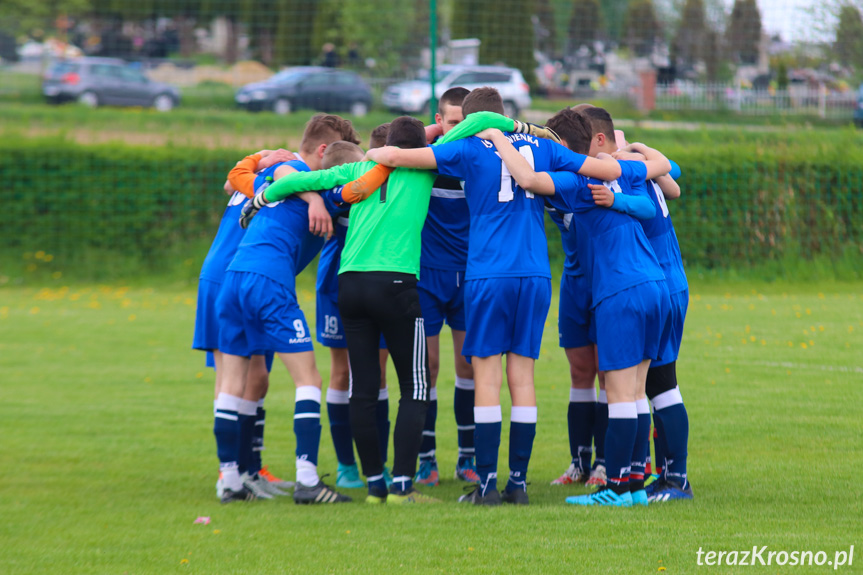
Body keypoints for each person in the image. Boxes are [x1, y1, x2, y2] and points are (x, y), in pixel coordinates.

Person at [365, 90, 622, 505]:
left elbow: (396, 157)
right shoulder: (541, 145)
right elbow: (607, 169)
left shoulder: (466, 147)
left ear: (466, 120)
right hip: (535, 274)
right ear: (505, 115)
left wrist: (388, 151)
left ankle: (486, 483)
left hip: (487, 273)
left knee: (486, 377)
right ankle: (517, 483)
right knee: (522, 378)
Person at [243, 116, 441, 504]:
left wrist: (262, 198)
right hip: (396, 284)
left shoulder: (356, 168)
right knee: (416, 388)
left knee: (363, 388)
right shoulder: (427, 168)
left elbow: (299, 182)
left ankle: (373, 487)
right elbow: (449, 142)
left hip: (349, 286)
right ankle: (402, 487)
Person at [478, 113, 673, 508]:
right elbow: (661, 180)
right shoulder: (621, 168)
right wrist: (621, 187)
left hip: (621, 289)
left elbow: (530, 180)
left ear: (564, 148)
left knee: (618, 394)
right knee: (635, 393)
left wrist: (499, 139)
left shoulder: (576, 180)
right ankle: (635, 484)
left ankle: (614, 488)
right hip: (655, 284)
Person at [213, 114, 359, 504]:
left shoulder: (283, 173)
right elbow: (292, 175)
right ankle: (308, 480)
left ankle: (229, 479)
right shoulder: (301, 173)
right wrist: (316, 196)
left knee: (232, 383)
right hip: (269, 283)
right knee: (309, 380)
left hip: (234, 279)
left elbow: (262, 178)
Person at [193, 151, 296, 501]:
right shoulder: (289, 173)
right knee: (233, 377)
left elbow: (229, 182)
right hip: (231, 276)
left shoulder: (265, 170)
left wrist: (259, 157)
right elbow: (230, 183)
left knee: (256, 379)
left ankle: (249, 469)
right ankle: (233, 474)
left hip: (240, 277)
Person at [611, 146, 692, 502]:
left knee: (661, 384)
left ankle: (676, 480)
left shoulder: (621, 170)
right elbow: (673, 178)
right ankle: (665, 475)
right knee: (655, 384)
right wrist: (640, 150)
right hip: (671, 279)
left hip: (658, 280)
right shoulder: (639, 166)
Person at [317, 130, 394, 490]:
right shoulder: (337, 195)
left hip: (370, 288)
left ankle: (376, 464)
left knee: (376, 375)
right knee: (340, 373)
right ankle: (347, 466)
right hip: (335, 288)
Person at [412, 87, 481, 487]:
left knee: (469, 366)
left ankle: (467, 458)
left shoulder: (483, 160)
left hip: (471, 277)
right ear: (439, 122)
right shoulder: (425, 159)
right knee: (428, 366)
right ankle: (426, 459)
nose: (460, 129)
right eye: (452, 121)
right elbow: (394, 143)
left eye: (466, 122)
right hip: (428, 277)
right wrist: (431, 133)